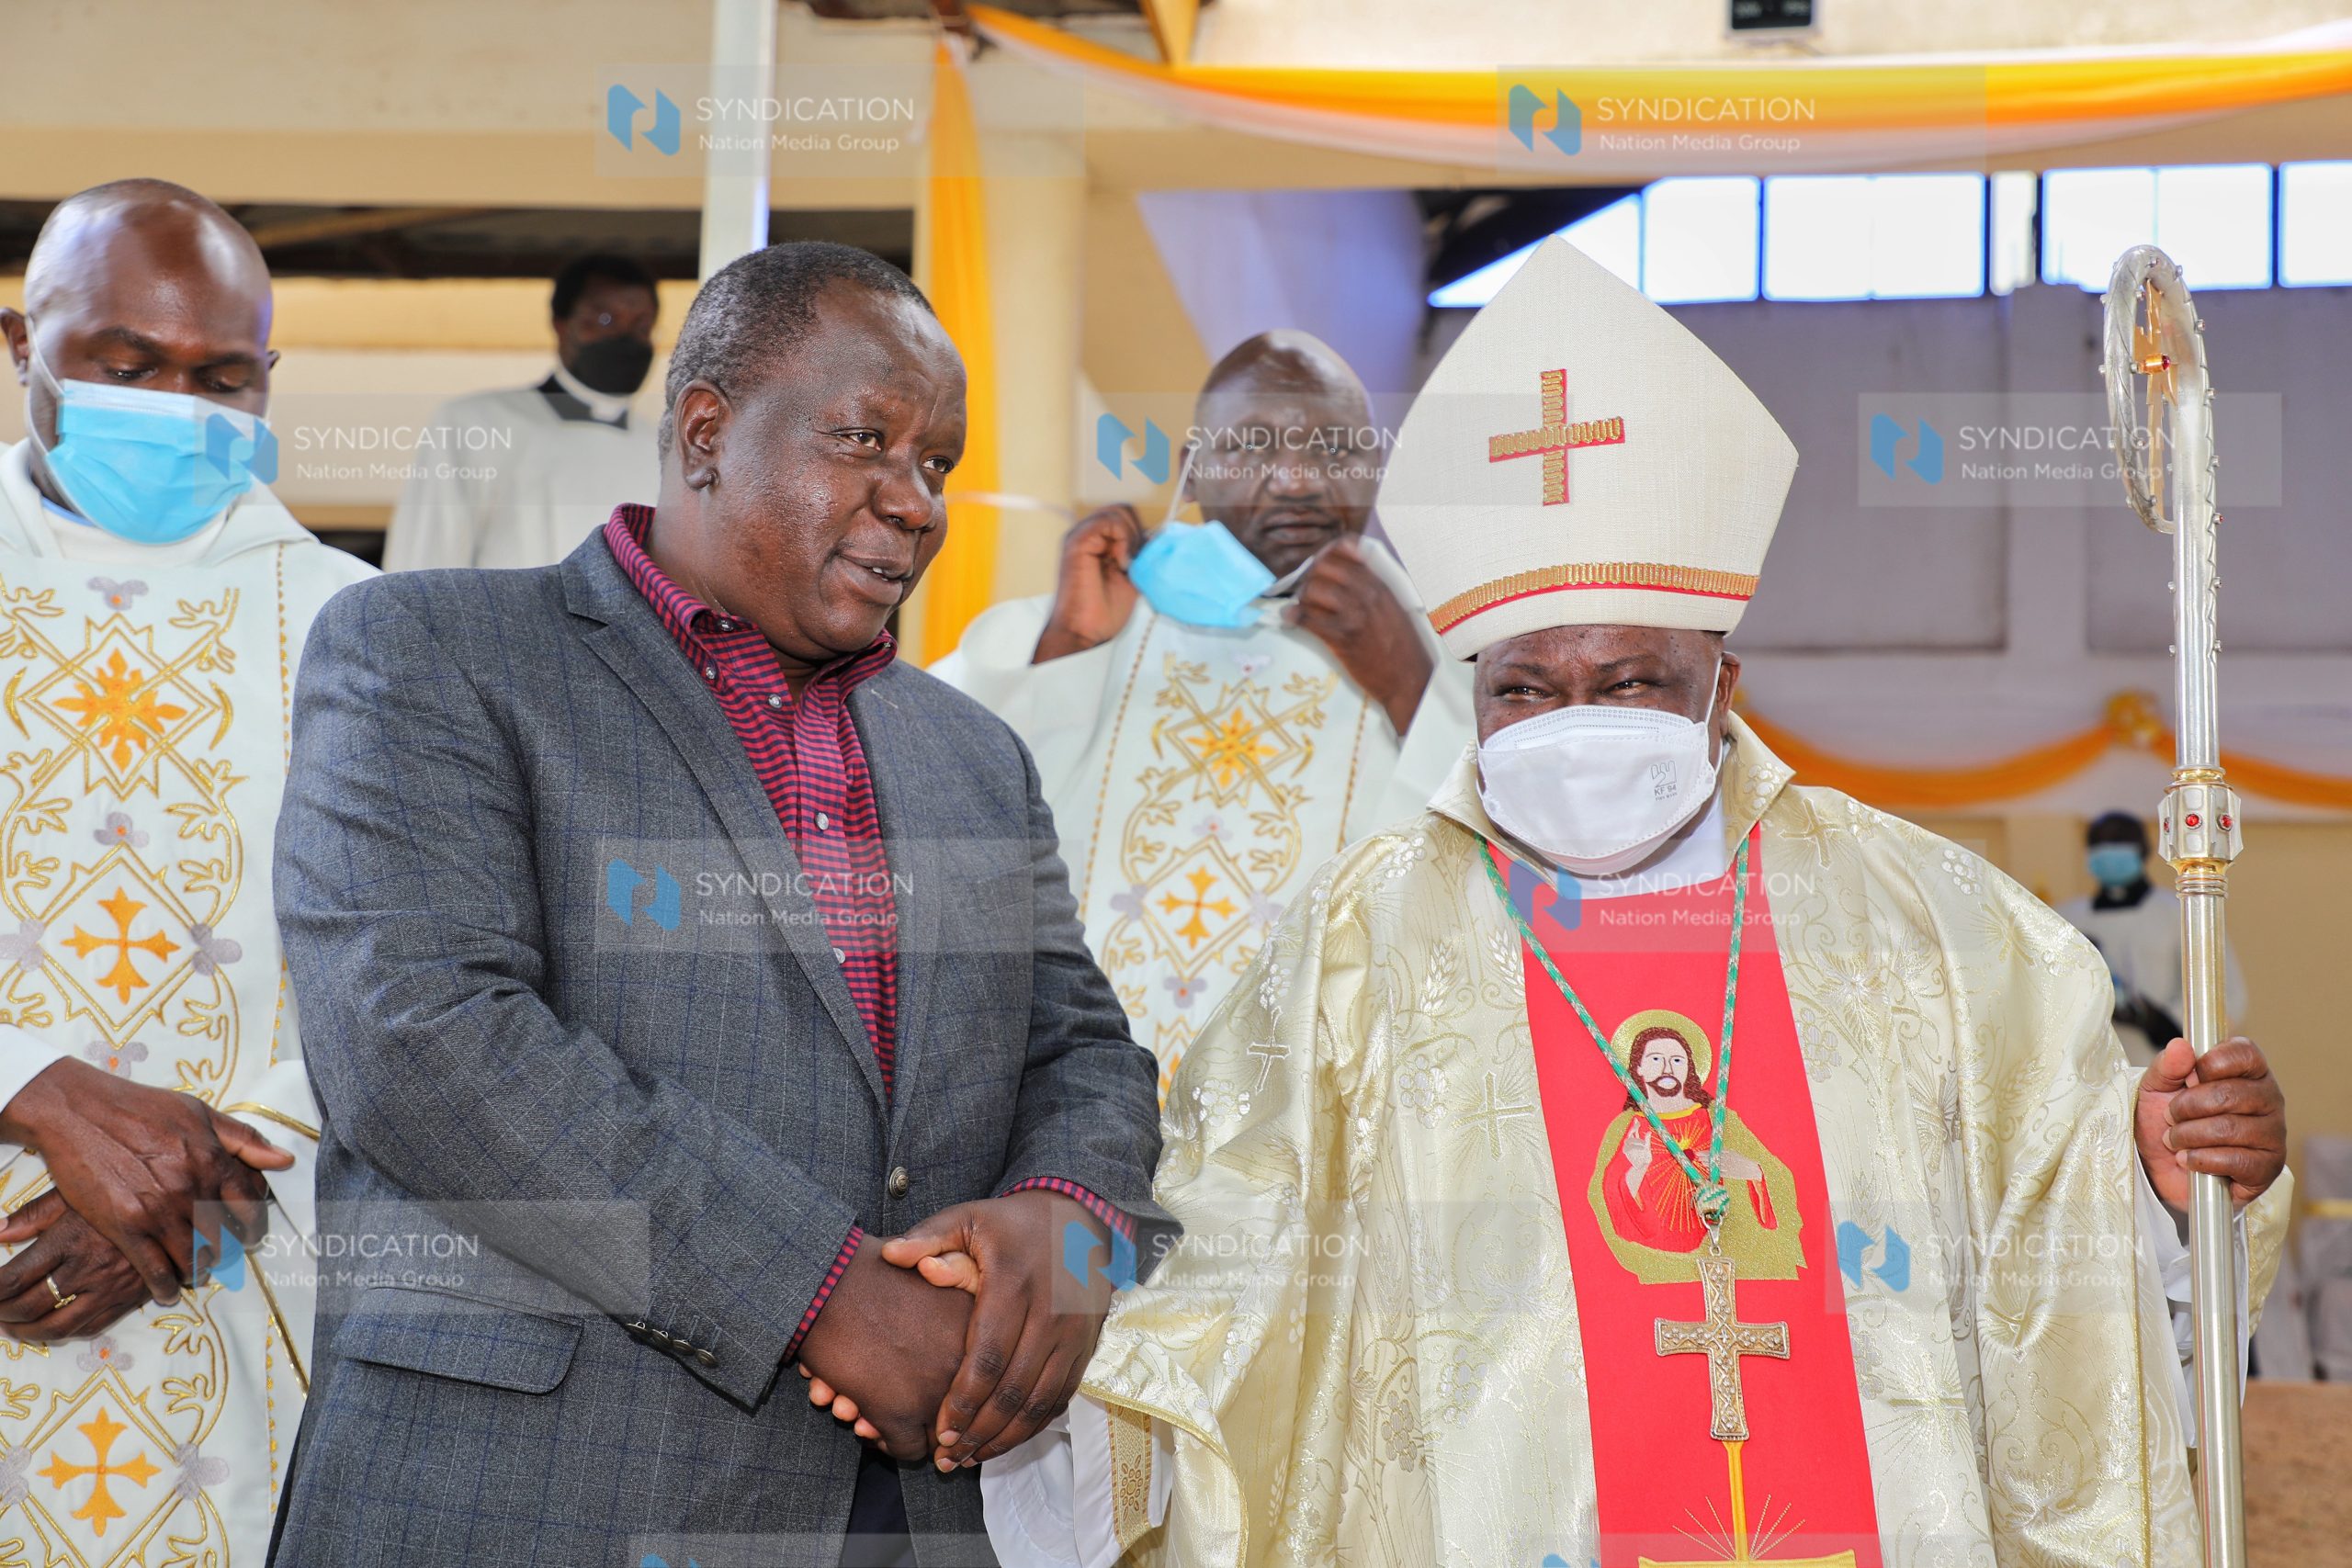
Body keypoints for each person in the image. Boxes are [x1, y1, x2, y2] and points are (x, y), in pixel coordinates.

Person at [971, 239, 2294, 1568]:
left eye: (1634, 681)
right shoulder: (1359, 945)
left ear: (1724, 691)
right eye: (1524, 689)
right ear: (1474, 697)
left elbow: (2047, 1218)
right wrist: (1028, 1344)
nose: (1574, 724)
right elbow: (1222, 1271)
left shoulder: (1927, 925)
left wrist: (2156, 1178)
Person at [268, 241, 1167, 1566]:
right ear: (705, 432)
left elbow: (1081, 1043)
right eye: (865, 440)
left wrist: (1062, 1210)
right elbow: (420, 1036)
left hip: (908, 1516)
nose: (914, 501)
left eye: (937, 463)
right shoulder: (432, 650)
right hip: (532, 1495)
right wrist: (816, 1288)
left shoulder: (974, 754)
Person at [0, 178, 372, 1562]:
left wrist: (212, 1171)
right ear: (18, 346)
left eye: (221, 375)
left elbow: (428, 952)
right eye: (123, 363)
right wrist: (32, 1084)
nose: (175, 403)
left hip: (233, 1271)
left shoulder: (355, 625)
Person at [935, 331, 1474, 1096]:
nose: (1295, 480)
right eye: (1252, 448)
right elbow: (933, 805)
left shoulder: (1449, 652)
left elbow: (1513, 888)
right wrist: (1069, 647)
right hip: (1066, 1113)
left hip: (1313, 1134)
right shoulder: (1078, 619)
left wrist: (1415, 691)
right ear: (1192, 466)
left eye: (1334, 449)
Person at [379, 252, 662, 571]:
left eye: (642, 326)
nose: (624, 339)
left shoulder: (661, 448)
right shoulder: (476, 423)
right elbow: (423, 562)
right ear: (561, 324)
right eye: (605, 320)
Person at [2060, 809, 2248, 1069]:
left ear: (2144, 851)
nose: (2110, 851)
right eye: (2101, 843)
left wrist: (2158, 1021)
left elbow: (2226, 992)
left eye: (2120, 842)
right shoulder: (2066, 918)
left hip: (2163, 1063)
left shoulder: (2181, 911)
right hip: (2089, 1067)